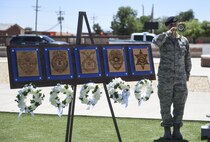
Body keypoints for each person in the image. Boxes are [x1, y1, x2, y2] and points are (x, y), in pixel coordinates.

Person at [152, 16, 192, 140]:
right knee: (165, 105)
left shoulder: (184, 40)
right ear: (167, 26)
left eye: (175, 24)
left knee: (180, 105)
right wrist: (168, 33)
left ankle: (177, 129)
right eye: (171, 25)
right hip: (165, 79)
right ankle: (167, 130)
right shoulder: (163, 38)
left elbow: (187, 58)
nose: (174, 26)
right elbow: (155, 41)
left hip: (180, 79)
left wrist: (187, 73)